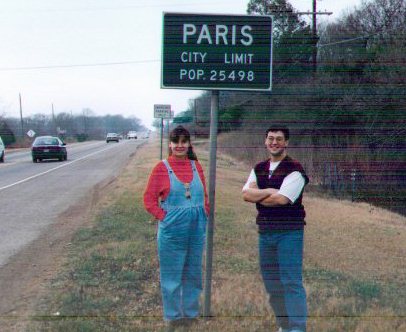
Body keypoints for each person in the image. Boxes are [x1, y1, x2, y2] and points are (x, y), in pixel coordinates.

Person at [242, 125, 309, 332]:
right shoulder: (258, 168)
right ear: (265, 141)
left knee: (291, 282)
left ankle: (297, 328)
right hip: (265, 233)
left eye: (279, 139)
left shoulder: (295, 169)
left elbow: (281, 199)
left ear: (286, 142)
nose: (274, 142)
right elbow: (245, 195)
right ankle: (284, 325)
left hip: (289, 233)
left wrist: (259, 194)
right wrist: (269, 190)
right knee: (272, 284)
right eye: (270, 138)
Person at [144, 125, 209, 330]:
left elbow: (204, 194)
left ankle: (190, 314)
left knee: (193, 272)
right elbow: (149, 200)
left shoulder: (196, 166)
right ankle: (173, 317)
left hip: (197, 227)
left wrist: (204, 210)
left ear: (189, 144)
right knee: (172, 274)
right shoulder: (161, 168)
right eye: (176, 142)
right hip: (173, 228)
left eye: (184, 142)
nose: (180, 146)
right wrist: (165, 216)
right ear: (170, 144)